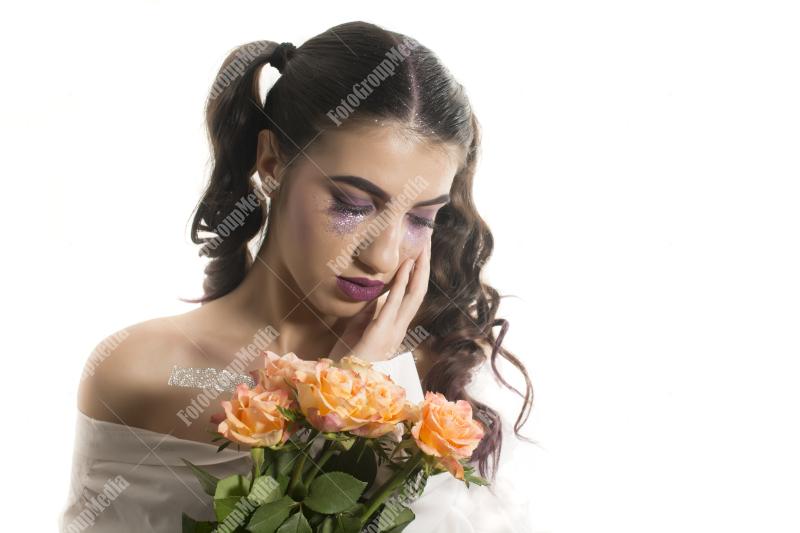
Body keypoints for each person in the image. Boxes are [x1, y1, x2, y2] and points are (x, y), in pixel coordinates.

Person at [59, 21, 535, 532]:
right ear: (271, 162)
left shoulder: (445, 392)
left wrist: (376, 384)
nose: (383, 255)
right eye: (352, 205)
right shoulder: (141, 372)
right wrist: (352, 389)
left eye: (420, 219)